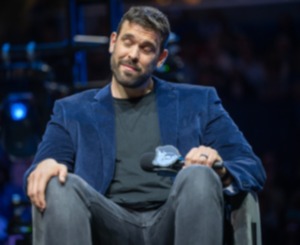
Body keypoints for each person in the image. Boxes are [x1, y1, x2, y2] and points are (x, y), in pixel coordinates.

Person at [24, 6, 266, 245]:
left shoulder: (198, 103)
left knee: (199, 176)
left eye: (146, 48)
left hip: (173, 221)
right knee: (58, 182)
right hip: (105, 223)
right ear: (113, 43)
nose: (133, 54)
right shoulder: (72, 111)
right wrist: (45, 166)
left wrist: (219, 168)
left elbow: (251, 167)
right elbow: (38, 171)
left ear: (160, 58)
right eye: (128, 42)